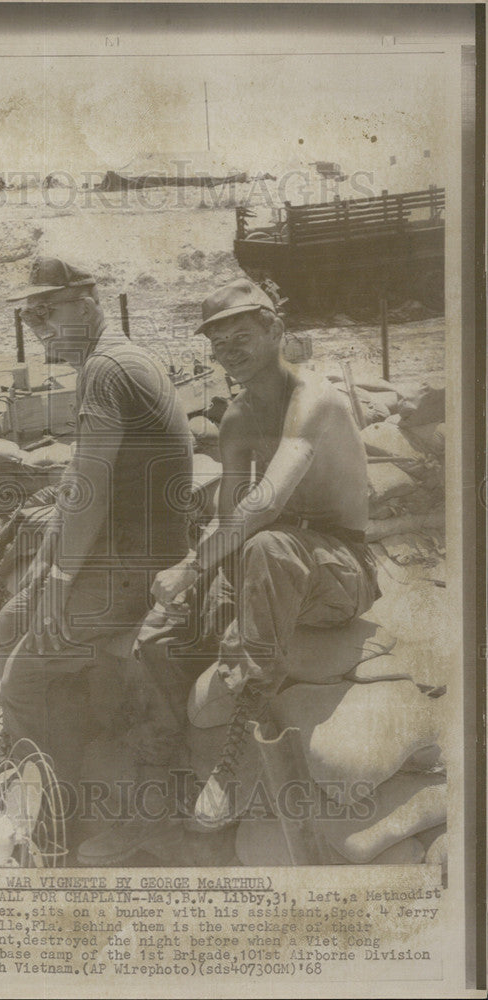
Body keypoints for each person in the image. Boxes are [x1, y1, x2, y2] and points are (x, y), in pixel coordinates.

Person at [144, 275, 381, 829]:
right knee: (158, 634)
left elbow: (269, 500)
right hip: (268, 559)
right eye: (219, 345)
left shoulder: (315, 399)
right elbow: (231, 516)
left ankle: (235, 757)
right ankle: (183, 752)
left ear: (275, 329)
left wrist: (190, 567)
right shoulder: (237, 417)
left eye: (241, 337)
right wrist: (202, 587)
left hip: (341, 569)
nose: (229, 354)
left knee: (269, 548)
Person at [0, 257, 193, 843]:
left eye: (47, 310)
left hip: (137, 565)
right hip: (121, 551)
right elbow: (80, 486)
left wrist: (57, 582)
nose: (39, 325)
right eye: (30, 315)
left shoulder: (107, 368)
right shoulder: (115, 360)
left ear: (86, 301)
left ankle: (51, 823)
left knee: (21, 681)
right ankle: (49, 771)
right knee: (7, 623)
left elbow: (93, 487)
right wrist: (46, 572)